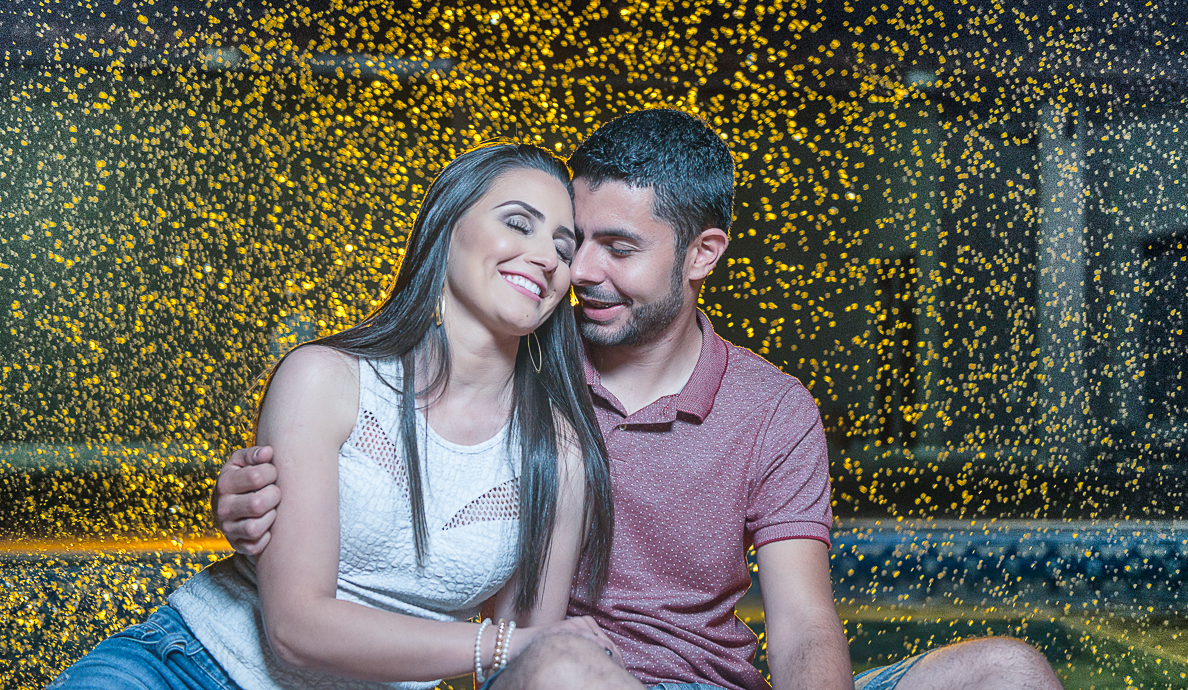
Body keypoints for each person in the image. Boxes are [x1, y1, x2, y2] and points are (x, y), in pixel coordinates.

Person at [215, 110, 1065, 690]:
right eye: (573, 242)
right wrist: (265, 493)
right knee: (562, 670)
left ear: (701, 254)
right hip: (566, 674)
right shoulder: (520, 367)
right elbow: (399, 475)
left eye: (618, 248)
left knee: (1009, 672)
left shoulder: (774, 408)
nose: (577, 271)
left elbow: (804, 626)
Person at [49, 142, 638, 690]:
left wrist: (531, 651)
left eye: (563, 250)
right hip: (190, 668)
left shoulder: (559, 452)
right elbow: (295, 630)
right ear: (446, 228)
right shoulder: (326, 379)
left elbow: (524, 665)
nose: (544, 258)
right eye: (517, 223)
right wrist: (507, 644)